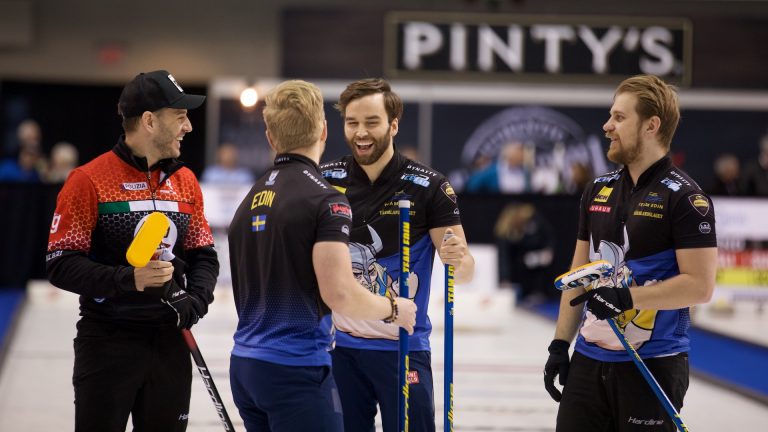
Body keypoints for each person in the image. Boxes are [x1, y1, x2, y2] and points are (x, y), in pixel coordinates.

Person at [227, 79, 417, 432]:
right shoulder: (326, 200)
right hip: (295, 370)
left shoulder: (249, 198)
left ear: (270, 137)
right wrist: (394, 309)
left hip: (245, 368)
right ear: (324, 131)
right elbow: (340, 294)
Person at [46, 69, 220, 432]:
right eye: (180, 116)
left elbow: (204, 253)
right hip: (108, 342)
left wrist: (197, 300)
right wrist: (129, 279)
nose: (188, 127)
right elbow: (60, 263)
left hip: (170, 342)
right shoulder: (89, 179)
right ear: (150, 121)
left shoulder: (186, 182)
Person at [543, 74, 717, 431]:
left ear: (651, 125)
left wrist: (626, 297)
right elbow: (578, 275)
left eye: (620, 118)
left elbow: (700, 287)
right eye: (611, 116)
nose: (607, 126)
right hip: (589, 363)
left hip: (652, 363)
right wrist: (560, 344)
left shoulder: (685, 198)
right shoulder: (597, 190)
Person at [320, 78, 475, 432]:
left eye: (371, 122)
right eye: (352, 122)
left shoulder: (431, 186)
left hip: (404, 347)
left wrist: (458, 258)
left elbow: (464, 270)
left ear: (393, 125)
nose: (361, 133)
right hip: (338, 348)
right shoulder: (325, 181)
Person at [494, 202, 555, 306]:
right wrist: (505, 279)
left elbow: (548, 236)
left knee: (531, 262)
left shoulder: (533, 219)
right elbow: (504, 257)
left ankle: (537, 292)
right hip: (518, 269)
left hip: (535, 258)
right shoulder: (505, 230)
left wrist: (548, 251)